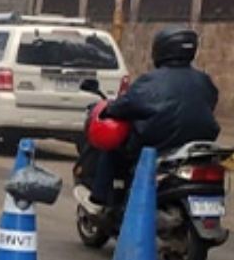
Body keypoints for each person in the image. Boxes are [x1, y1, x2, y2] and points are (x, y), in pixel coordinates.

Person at [80, 25, 220, 212]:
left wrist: (110, 109)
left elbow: (127, 104)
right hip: (197, 144)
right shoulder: (204, 80)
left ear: (161, 49)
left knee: (112, 151)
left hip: (159, 144)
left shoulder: (151, 81)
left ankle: (99, 199)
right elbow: (211, 100)